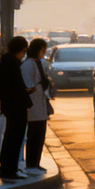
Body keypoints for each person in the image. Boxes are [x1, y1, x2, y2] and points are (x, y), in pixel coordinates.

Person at [0, 36, 32, 181]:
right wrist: (26, 94)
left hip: (9, 105)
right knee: (14, 138)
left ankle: (9, 168)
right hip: (16, 105)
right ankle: (9, 169)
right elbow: (16, 87)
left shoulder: (3, 62)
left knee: (11, 137)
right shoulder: (13, 64)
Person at [21, 38, 53, 173]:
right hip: (33, 105)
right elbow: (28, 84)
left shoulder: (38, 63)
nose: (44, 53)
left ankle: (36, 162)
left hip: (39, 103)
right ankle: (31, 163)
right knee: (34, 135)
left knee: (40, 135)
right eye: (43, 50)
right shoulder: (28, 65)